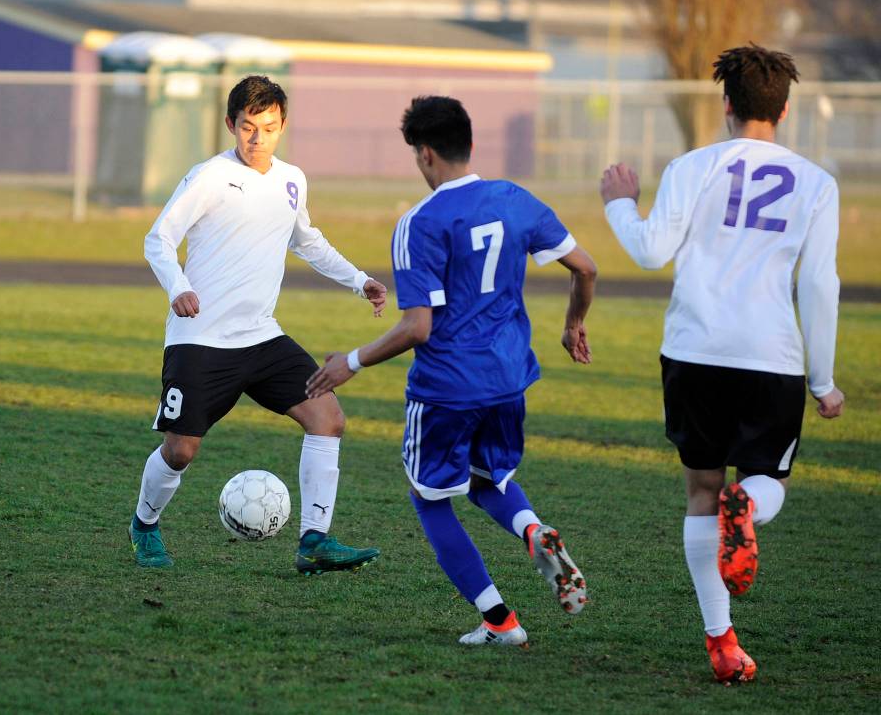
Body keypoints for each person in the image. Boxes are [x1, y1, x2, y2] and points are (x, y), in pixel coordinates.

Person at [306, 95, 597, 646]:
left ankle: (500, 623)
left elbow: (419, 327)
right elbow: (585, 268)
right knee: (489, 479)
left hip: (447, 386)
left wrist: (351, 361)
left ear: (425, 154)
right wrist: (574, 322)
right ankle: (533, 529)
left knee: (431, 498)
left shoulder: (420, 222)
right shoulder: (515, 199)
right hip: (509, 379)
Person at [599, 45, 845, 684]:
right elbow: (819, 285)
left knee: (700, 494)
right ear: (785, 109)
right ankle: (750, 505)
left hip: (694, 353)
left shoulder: (692, 166)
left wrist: (620, 203)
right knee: (768, 483)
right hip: (771, 356)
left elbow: (652, 252)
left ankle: (722, 642)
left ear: (726, 104)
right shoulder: (818, 183)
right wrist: (823, 379)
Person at [130, 75, 388, 575]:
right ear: (230, 125)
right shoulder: (209, 176)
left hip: (262, 336)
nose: (257, 138)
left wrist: (360, 281)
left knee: (328, 418)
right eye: (248, 127)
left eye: (268, 127)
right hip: (200, 338)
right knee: (181, 451)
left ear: (282, 126)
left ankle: (315, 539)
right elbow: (158, 238)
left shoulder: (293, 179)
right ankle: (144, 524)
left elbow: (307, 240)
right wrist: (178, 287)